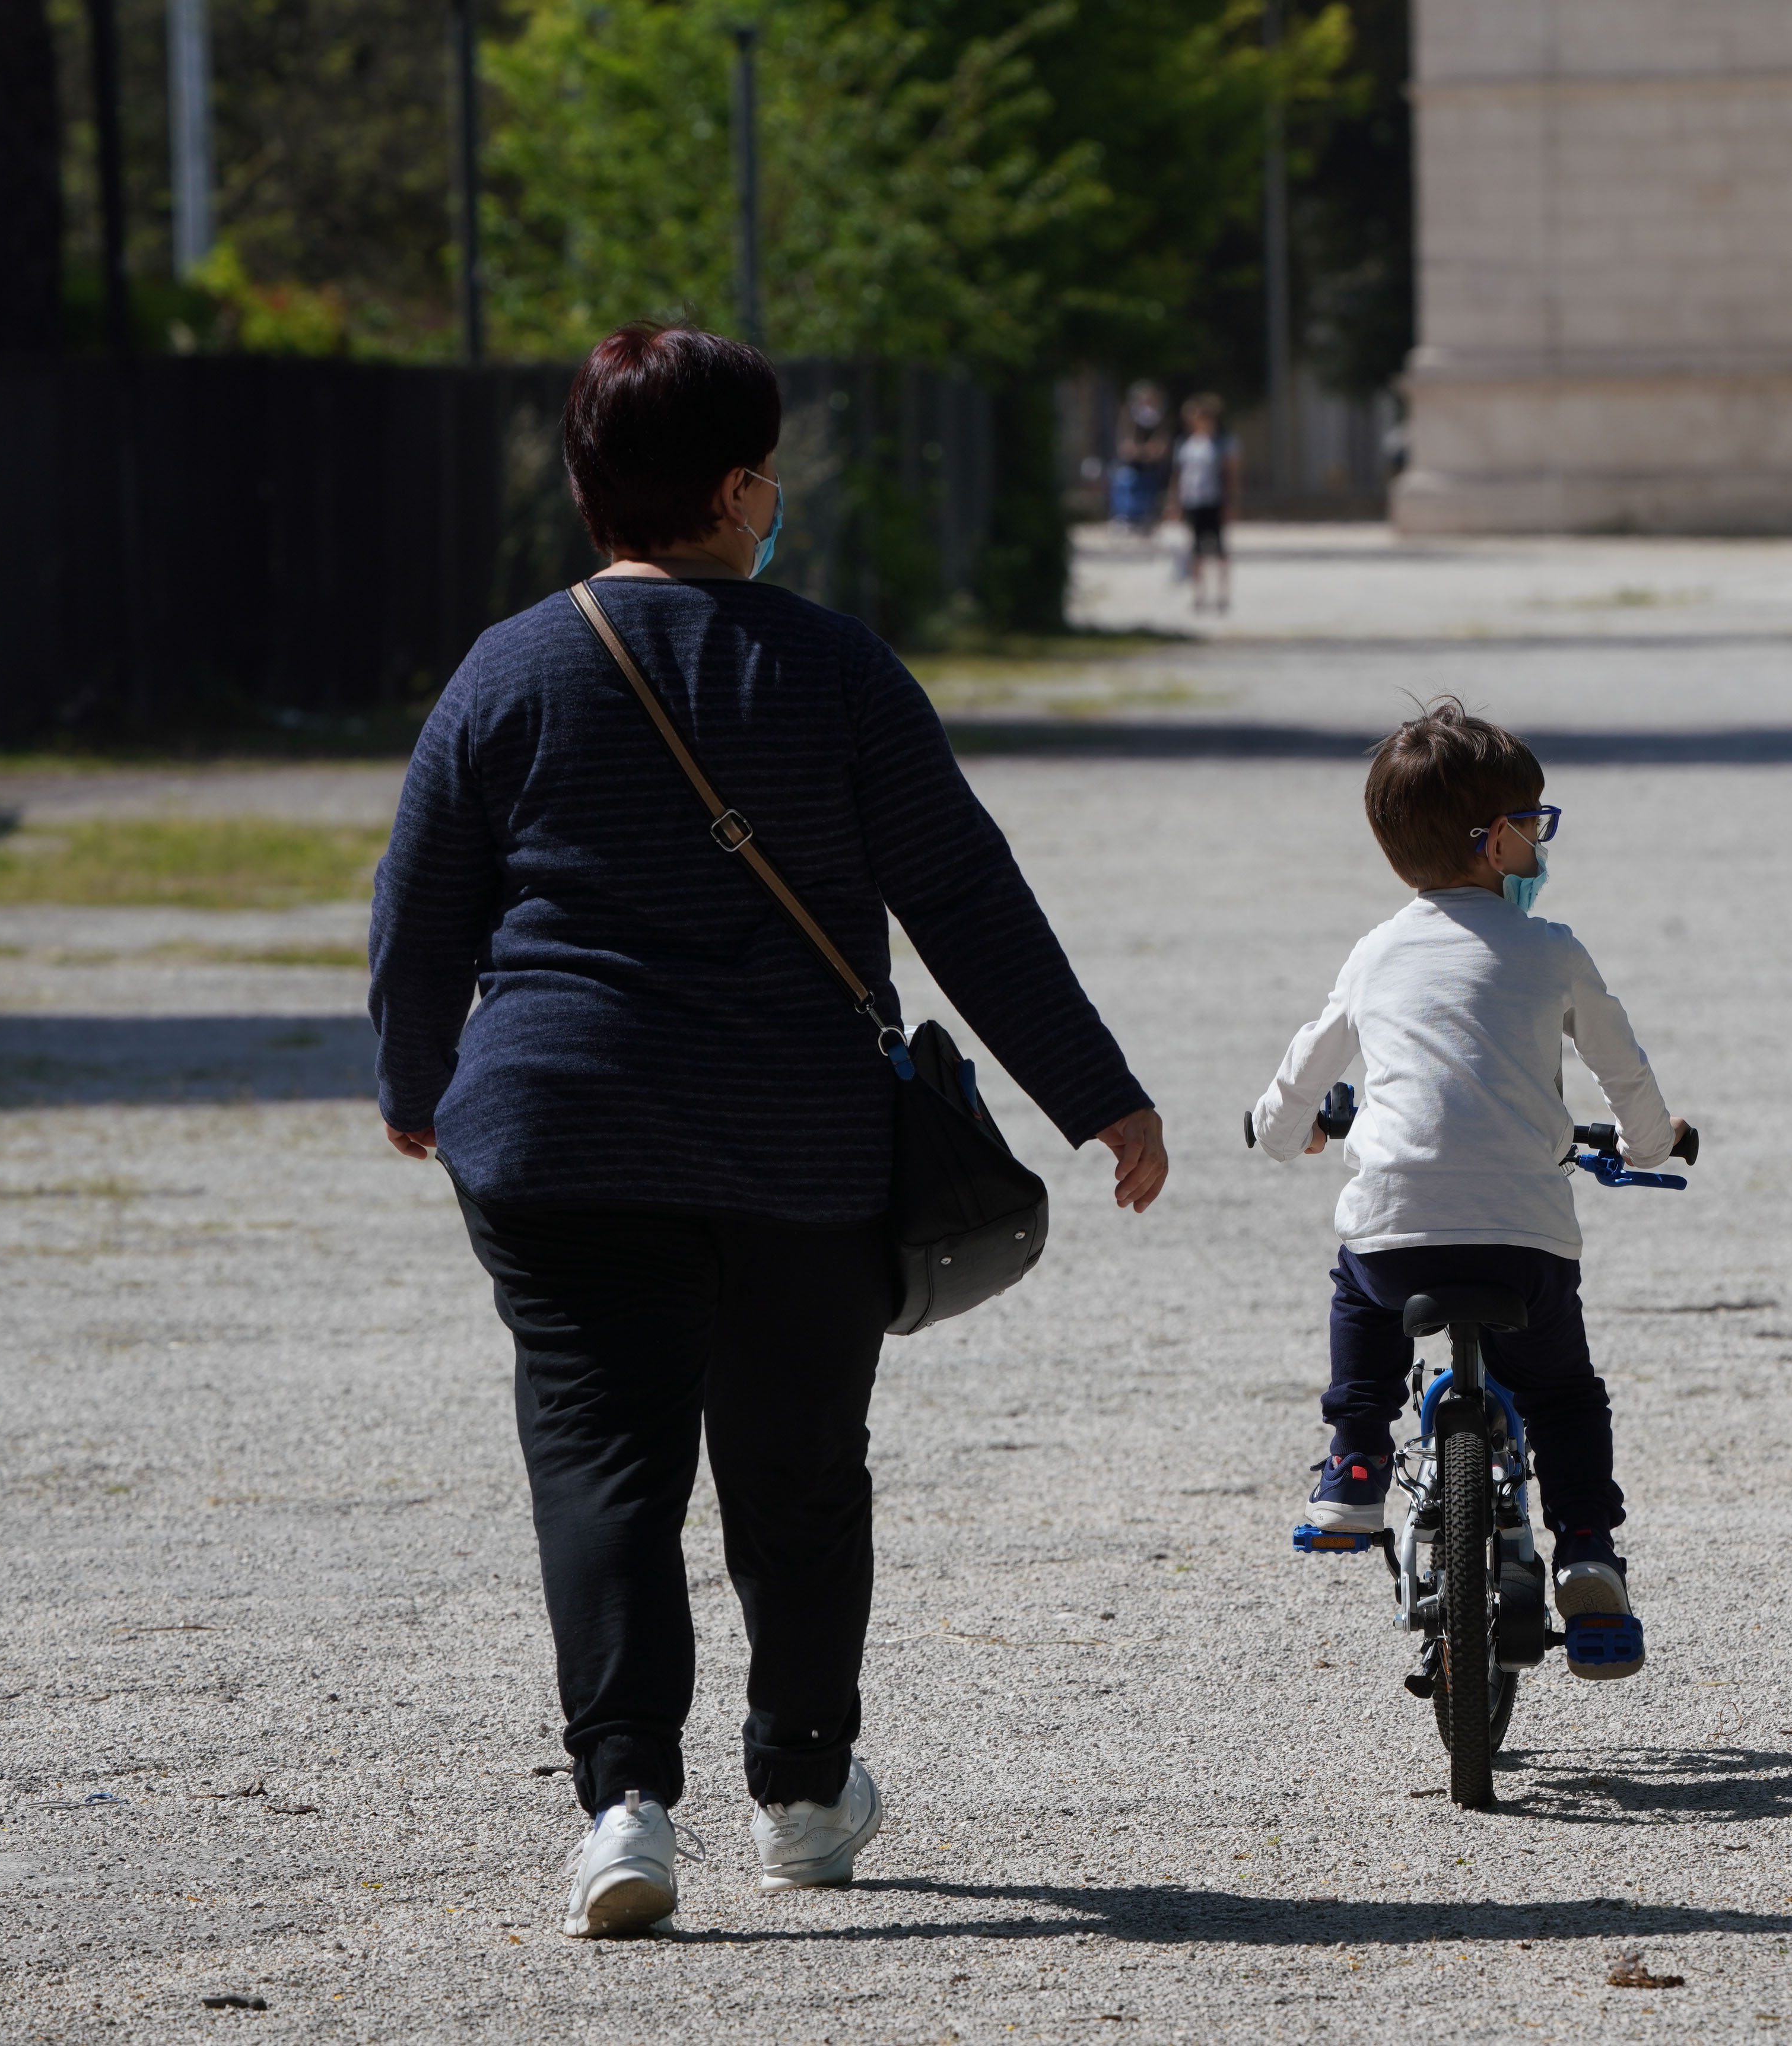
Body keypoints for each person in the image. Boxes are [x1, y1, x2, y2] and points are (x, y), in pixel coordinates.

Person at [368, 323, 1168, 1939]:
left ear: (590, 491)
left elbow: (421, 911)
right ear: (740, 493)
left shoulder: (506, 671)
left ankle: (622, 1813)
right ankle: (802, 1793)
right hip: (794, 1138)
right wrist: (1100, 1098)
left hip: (560, 1134)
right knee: (797, 1470)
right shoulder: (835, 669)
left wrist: (412, 1085)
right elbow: (966, 901)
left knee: (603, 1464)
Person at [1248, 701, 1686, 1679]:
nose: (1541, 836)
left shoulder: (1374, 952)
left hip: (1397, 1226)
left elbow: (1299, 1077)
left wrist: (1281, 1133)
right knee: (1564, 1393)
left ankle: (1356, 1462)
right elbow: (1628, 1080)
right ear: (1495, 842)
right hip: (1522, 1243)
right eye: (1533, 821)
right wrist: (1656, 1140)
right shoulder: (1554, 949)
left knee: (1358, 1288)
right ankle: (1584, 1546)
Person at [1164, 393, 1238, 614]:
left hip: (1215, 500)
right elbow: (1178, 476)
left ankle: (1222, 596)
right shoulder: (1185, 443)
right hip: (1193, 501)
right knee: (1196, 550)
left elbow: (1232, 476)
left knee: (1220, 550)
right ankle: (1199, 596)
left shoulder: (1223, 443)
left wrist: (1231, 504)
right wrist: (1174, 502)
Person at [1110, 381, 1171, 540]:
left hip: (1152, 467)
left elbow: (1160, 446)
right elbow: (1126, 446)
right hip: (1132, 465)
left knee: (1149, 491)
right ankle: (1125, 518)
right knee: (1126, 484)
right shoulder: (1130, 418)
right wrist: (1140, 451)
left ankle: (1146, 520)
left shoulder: (1160, 419)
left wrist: (1148, 451)